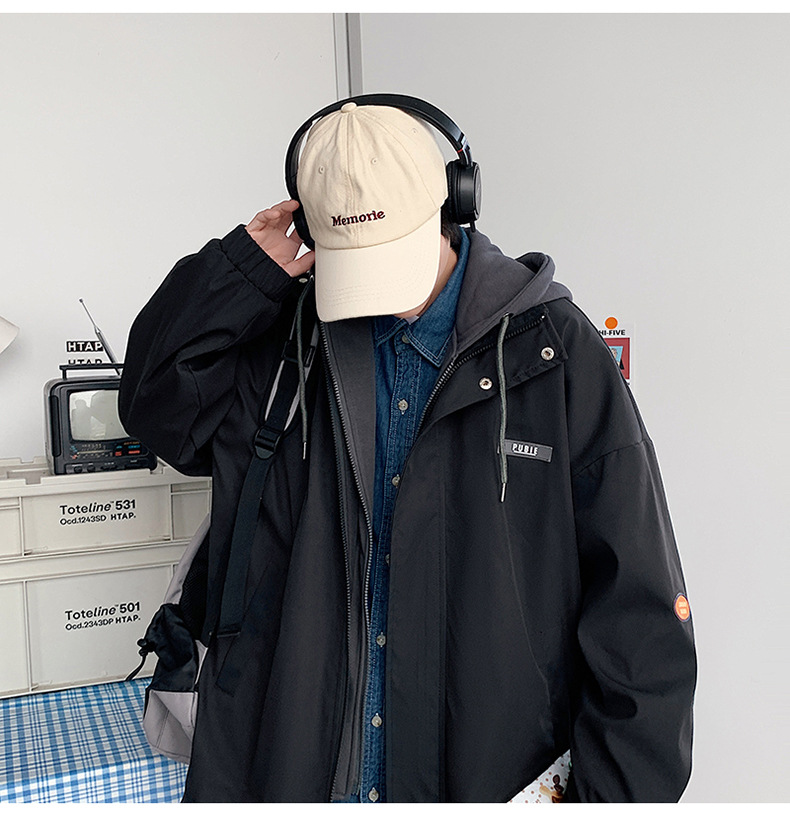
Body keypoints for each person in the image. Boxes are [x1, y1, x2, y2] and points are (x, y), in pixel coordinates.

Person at [119, 97, 696, 803]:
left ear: (454, 202)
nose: (379, 294)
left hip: (491, 775)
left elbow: (639, 612)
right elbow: (158, 413)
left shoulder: (553, 352)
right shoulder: (283, 344)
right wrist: (238, 275)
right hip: (290, 768)